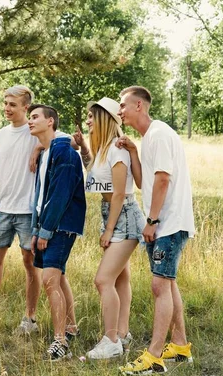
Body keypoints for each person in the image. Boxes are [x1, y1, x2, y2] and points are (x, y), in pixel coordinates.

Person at [0, 86, 78, 337]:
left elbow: (69, 141)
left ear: (26, 108)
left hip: (28, 211)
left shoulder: (36, 129)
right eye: (5, 103)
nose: (7, 108)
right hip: (4, 208)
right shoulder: (2, 135)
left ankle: (30, 318)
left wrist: (38, 148)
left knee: (30, 263)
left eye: (12, 104)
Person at [115, 86, 195, 375]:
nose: (120, 110)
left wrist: (151, 220)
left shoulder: (159, 134)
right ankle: (180, 345)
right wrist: (134, 151)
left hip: (168, 222)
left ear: (139, 105)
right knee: (169, 284)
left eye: (123, 105)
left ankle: (154, 357)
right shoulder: (148, 138)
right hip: (165, 221)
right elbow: (143, 183)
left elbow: (162, 179)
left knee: (159, 286)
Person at [73, 97, 145, 360]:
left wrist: (108, 230)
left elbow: (117, 193)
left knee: (103, 280)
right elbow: (95, 174)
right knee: (119, 278)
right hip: (113, 215)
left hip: (123, 215)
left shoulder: (117, 149)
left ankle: (111, 340)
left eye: (92, 116)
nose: (88, 121)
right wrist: (82, 147)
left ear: (104, 119)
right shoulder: (104, 149)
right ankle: (122, 333)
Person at [28, 104, 86, 361]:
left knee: (49, 279)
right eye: (29, 117)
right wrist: (35, 228)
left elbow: (60, 195)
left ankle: (60, 342)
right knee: (59, 277)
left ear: (50, 121)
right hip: (47, 224)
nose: (30, 121)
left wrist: (46, 230)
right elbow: (40, 196)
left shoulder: (63, 152)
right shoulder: (46, 153)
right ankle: (70, 327)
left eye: (35, 117)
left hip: (61, 224)